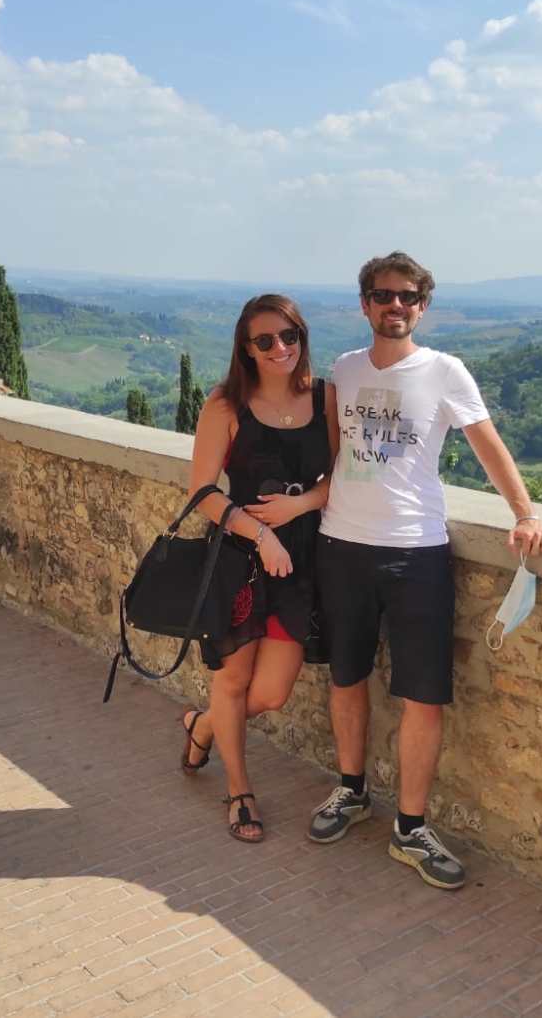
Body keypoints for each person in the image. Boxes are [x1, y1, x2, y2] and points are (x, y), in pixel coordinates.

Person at [307, 252, 542, 888]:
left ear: (423, 306)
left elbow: (488, 446)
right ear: (364, 304)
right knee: (346, 677)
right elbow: (333, 457)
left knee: (424, 693)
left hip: (415, 550)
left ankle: (410, 828)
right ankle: (351, 791)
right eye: (384, 295)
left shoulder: (445, 372)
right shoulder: (342, 370)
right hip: (340, 544)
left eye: (408, 297)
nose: (396, 306)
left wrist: (525, 513)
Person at [176, 294, 333, 842]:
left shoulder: (325, 399)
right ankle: (239, 791)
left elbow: (342, 480)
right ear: (246, 348)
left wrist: (298, 506)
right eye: (265, 340)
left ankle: (201, 724)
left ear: (302, 338)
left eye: (289, 336)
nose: (279, 348)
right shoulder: (225, 405)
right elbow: (202, 492)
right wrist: (262, 532)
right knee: (235, 680)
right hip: (241, 559)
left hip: (301, 563)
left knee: (269, 694)